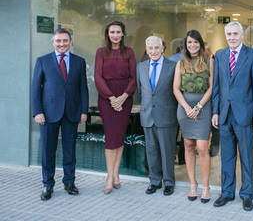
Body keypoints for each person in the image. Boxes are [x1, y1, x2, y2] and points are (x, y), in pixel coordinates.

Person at [212, 21, 253, 211]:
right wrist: (215, 111)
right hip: (225, 115)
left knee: (246, 157)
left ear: (241, 35)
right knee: (227, 156)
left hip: (245, 115)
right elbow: (216, 86)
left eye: (235, 34)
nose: (232, 38)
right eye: (229, 34)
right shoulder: (219, 55)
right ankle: (227, 193)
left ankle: (247, 195)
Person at [31, 29, 89, 201]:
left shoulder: (79, 62)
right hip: (48, 114)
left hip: (71, 113)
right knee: (48, 151)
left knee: (70, 151)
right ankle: (47, 184)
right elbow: (35, 89)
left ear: (70, 41)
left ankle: (69, 182)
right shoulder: (42, 61)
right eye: (58, 41)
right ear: (53, 42)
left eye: (65, 40)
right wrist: (37, 112)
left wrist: (84, 110)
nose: (62, 44)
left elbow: (83, 89)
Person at [94, 21, 136, 194]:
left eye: (118, 32)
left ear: (123, 33)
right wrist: (112, 98)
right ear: (107, 34)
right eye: (112, 32)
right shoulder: (101, 52)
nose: (115, 35)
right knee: (111, 139)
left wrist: (123, 97)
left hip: (125, 97)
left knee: (119, 137)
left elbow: (134, 78)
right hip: (107, 98)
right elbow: (97, 77)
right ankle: (109, 176)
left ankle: (116, 174)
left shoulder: (129, 52)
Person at [173, 30, 214, 203]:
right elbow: (176, 88)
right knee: (188, 145)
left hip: (203, 107)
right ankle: (192, 184)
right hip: (184, 108)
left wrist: (198, 106)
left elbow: (212, 88)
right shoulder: (180, 64)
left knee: (203, 147)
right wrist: (186, 107)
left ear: (201, 43)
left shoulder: (209, 61)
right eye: (189, 43)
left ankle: (206, 186)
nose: (193, 46)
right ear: (185, 45)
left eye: (196, 42)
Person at [136, 36, 178, 196]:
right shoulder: (140, 67)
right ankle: (154, 181)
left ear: (162, 49)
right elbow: (140, 91)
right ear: (146, 50)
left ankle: (168, 182)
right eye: (150, 48)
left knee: (167, 151)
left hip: (166, 115)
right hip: (148, 116)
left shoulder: (173, 66)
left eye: (156, 48)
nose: (153, 51)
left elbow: (176, 92)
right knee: (151, 151)